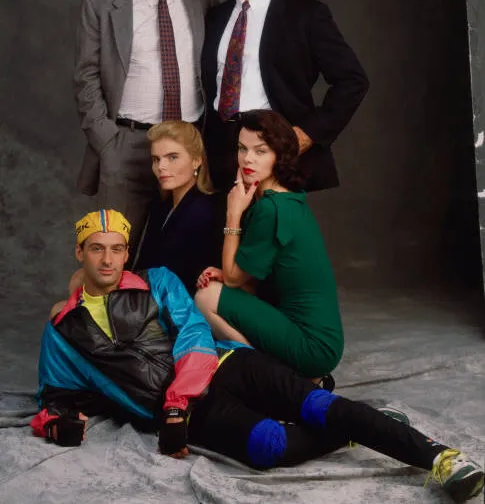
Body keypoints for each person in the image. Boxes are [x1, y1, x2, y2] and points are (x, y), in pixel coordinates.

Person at [31, 211, 483, 504]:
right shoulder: (62, 333)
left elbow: (193, 334)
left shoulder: (157, 281)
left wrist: (175, 405)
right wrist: (56, 424)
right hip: (191, 413)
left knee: (318, 405)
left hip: (222, 366)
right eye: (97, 248)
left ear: (127, 252)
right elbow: (53, 396)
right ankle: (364, 425)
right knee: (270, 447)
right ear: (80, 252)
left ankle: (442, 459)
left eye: (117, 248)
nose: (107, 259)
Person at [74, 0, 217, 249]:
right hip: (128, 145)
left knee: (189, 250)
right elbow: (85, 78)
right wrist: (108, 142)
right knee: (112, 251)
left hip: (189, 143)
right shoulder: (101, 8)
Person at [202, 0, 370, 191]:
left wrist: (307, 134)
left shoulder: (305, 15)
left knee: (271, 220)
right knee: (225, 220)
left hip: (275, 150)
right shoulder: (215, 17)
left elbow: (353, 81)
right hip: (221, 153)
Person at [195, 110, 343, 379]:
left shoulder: (271, 208)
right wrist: (228, 276)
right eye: (242, 148)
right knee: (219, 289)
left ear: (279, 155)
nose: (247, 159)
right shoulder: (286, 198)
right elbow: (253, 279)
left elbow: (233, 278)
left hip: (312, 346)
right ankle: (282, 376)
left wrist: (233, 214)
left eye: (260, 151)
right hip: (319, 341)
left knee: (206, 297)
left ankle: (268, 378)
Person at [133, 121, 223, 295]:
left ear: (196, 160)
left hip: (178, 304)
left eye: (172, 157)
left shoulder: (203, 211)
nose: (161, 167)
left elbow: (190, 282)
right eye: (156, 159)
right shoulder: (163, 203)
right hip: (148, 296)